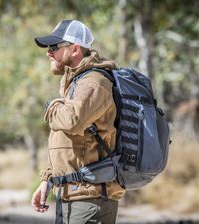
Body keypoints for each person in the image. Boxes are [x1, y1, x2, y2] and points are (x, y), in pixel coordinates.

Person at [31, 19, 125, 224]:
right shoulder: (76, 83)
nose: (49, 52)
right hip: (71, 196)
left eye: (54, 47)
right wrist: (47, 180)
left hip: (90, 200)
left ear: (74, 49)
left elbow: (72, 120)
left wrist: (51, 106)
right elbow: (65, 138)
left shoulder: (95, 82)